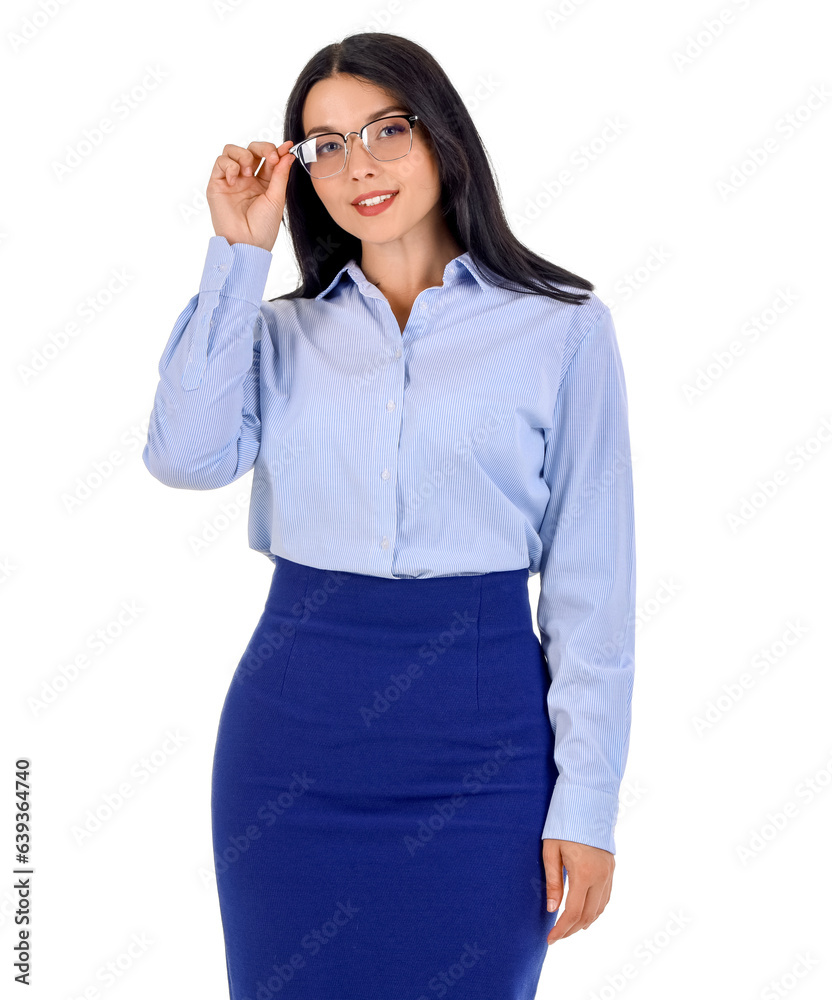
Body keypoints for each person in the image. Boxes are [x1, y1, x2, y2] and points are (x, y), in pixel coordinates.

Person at [142, 31, 636, 1000]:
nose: (357, 163)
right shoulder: (278, 331)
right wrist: (237, 253)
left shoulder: (562, 327)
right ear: (302, 173)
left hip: (483, 742)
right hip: (293, 733)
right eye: (324, 144)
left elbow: (592, 582)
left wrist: (588, 799)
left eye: (385, 129)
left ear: (442, 136)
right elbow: (184, 457)